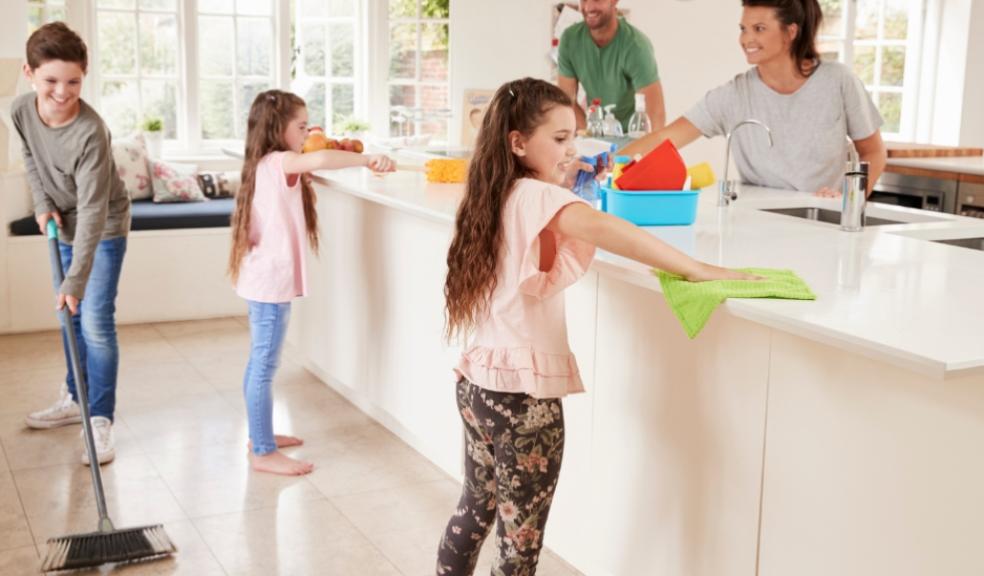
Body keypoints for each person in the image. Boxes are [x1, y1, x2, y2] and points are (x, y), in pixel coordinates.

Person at [435, 77, 755, 575]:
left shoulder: (493, 191)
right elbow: (609, 229)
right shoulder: (537, 198)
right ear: (518, 143)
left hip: (478, 384)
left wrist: (564, 184)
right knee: (519, 544)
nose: (572, 149)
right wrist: (697, 268)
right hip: (524, 400)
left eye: (573, 137)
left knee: (474, 509)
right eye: (559, 139)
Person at [228, 90, 394, 476]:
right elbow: (318, 158)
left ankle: (260, 435)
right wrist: (369, 159)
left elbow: (313, 158)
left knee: (261, 362)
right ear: (277, 128)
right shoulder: (281, 161)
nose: (307, 133)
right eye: (301, 126)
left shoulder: (266, 162)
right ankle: (263, 451)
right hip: (268, 283)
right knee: (264, 365)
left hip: (263, 279)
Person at [620, 0, 887, 197]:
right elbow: (667, 138)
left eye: (759, 28)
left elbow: (873, 152)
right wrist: (606, 164)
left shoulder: (837, 81)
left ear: (790, 32)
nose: (746, 39)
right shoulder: (734, 95)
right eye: (743, 28)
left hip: (824, 218)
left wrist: (850, 197)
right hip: (759, 218)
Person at [14, 22, 130, 466]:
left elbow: (95, 211)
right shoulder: (22, 110)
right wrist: (42, 202)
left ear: (85, 75)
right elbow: (29, 153)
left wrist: (76, 278)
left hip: (102, 226)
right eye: (51, 81)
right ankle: (74, 396)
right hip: (61, 221)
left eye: (74, 81)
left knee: (94, 321)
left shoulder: (90, 133)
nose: (63, 92)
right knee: (68, 316)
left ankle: (99, 419)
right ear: (29, 73)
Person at [557, 0, 665, 133]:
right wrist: (592, 132)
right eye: (584, 0)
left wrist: (642, 150)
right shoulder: (570, 40)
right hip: (596, 133)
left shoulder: (636, 47)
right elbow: (567, 102)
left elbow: (656, 118)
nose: (588, 7)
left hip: (632, 136)